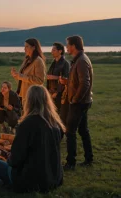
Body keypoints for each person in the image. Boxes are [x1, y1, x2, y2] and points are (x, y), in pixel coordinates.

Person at [0, 85, 65, 193]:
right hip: (54, 177)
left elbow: (16, 160)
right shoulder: (55, 123)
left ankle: (8, 182)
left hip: (31, 180)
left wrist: (8, 159)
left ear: (29, 102)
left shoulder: (26, 125)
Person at [63, 35, 94, 171]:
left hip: (79, 103)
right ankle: (89, 158)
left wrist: (75, 99)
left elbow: (85, 83)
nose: (66, 48)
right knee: (83, 130)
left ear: (74, 46)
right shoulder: (78, 59)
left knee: (70, 131)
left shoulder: (81, 61)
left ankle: (70, 163)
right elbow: (78, 81)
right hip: (83, 101)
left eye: (68, 45)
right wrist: (67, 82)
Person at [11, 38, 46, 107]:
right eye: (24, 46)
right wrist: (16, 75)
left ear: (33, 47)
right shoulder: (27, 59)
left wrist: (21, 76)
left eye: (27, 46)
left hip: (32, 96)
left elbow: (40, 80)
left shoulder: (38, 61)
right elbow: (23, 78)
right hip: (22, 94)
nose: (24, 49)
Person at [47, 42, 70, 113]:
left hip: (59, 93)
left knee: (59, 113)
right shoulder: (53, 62)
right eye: (52, 50)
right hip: (51, 92)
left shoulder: (65, 63)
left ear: (60, 51)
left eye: (54, 50)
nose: (51, 52)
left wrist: (57, 92)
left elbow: (66, 79)